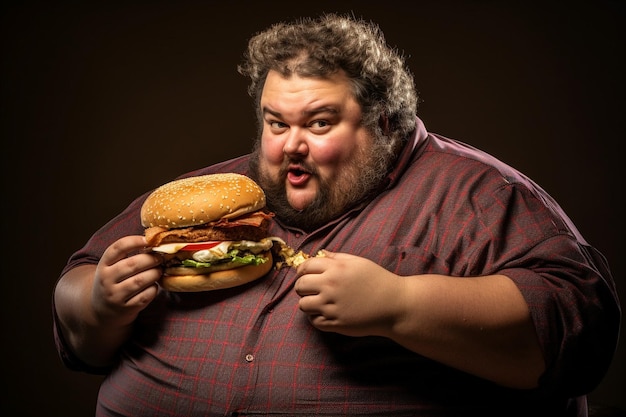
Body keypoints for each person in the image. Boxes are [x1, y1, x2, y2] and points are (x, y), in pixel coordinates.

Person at [53, 13, 621, 417]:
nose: (289, 147)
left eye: (319, 123)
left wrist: (401, 307)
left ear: (387, 123)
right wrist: (101, 304)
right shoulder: (211, 193)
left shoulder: (481, 196)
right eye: (276, 124)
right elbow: (74, 296)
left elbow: (578, 332)